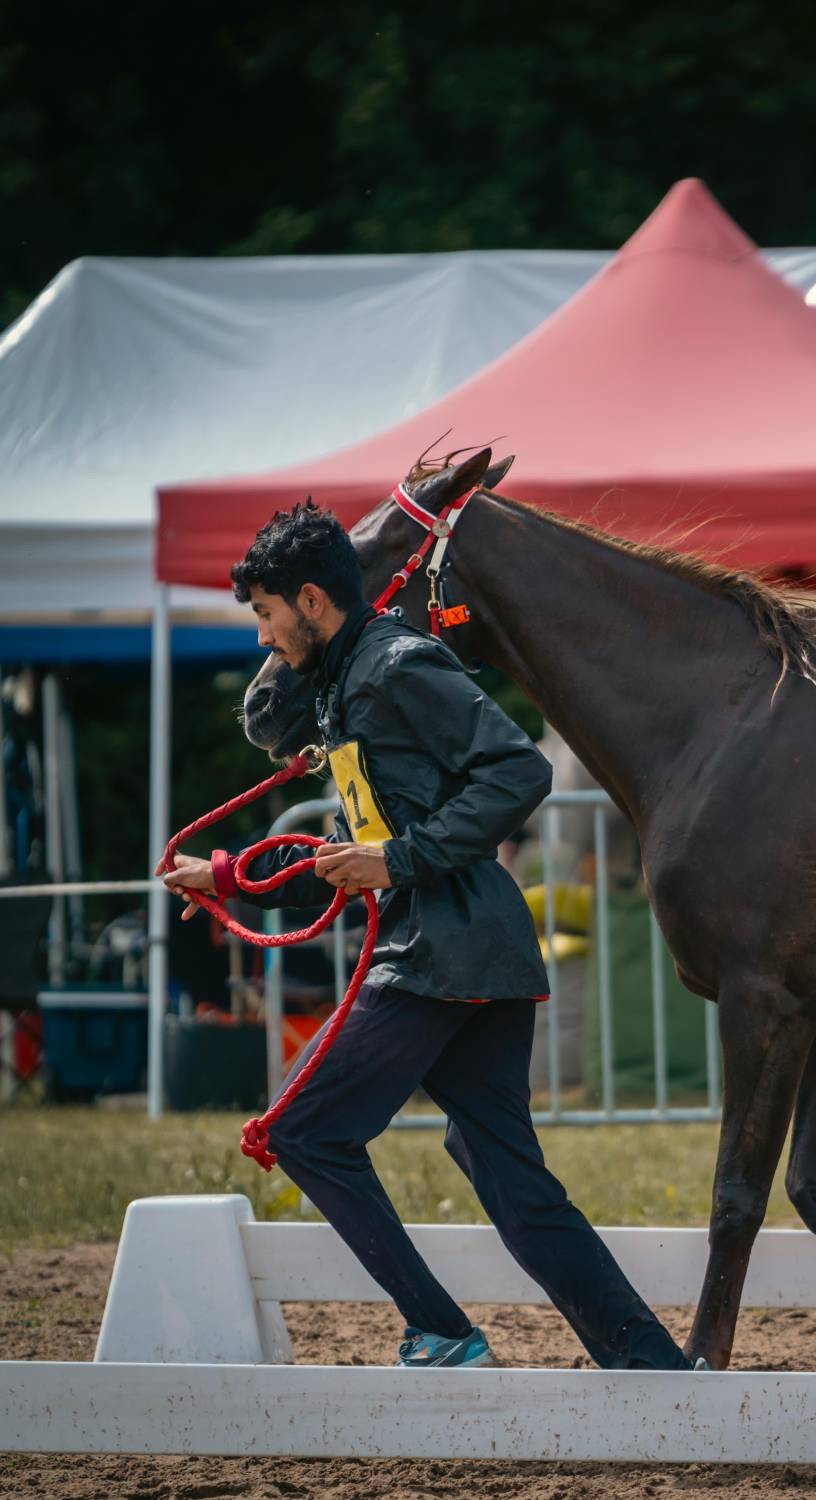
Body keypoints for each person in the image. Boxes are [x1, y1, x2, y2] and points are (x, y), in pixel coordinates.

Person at [162, 501, 695, 1373]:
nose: (263, 641)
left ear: (310, 601)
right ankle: (649, 1365)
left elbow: (517, 770)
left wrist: (401, 859)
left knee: (303, 1129)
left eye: (264, 616)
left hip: (442, 950)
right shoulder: (345, 681)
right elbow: (362, 847)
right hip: (462, 947)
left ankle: (442, 1331)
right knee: (509, 1179)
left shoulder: (398, 665)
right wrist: (229, 879)